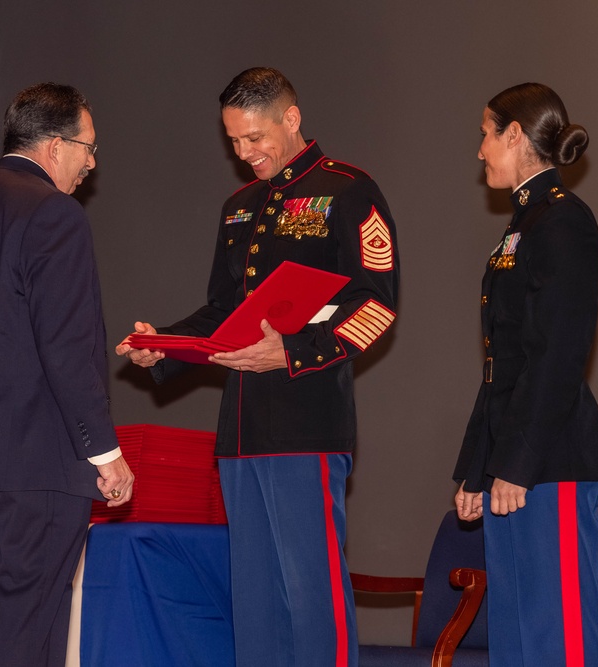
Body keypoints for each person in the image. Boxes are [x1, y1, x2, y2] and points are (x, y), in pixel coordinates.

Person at [116, 67, 398, 666]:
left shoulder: (348, 191)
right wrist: (163, 344)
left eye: (254, 138)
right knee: (256, 606)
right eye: (233, 141)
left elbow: (377, 305)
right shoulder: (239, 206)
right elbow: (223, 312)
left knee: (310, 596)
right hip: (240, 431)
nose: (244, 154)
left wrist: (293, 352)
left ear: (290, 120)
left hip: (306, 425)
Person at [0, 82, 134, 667]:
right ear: (55, 146)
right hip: (35, 463)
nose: (92, 162)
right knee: (29, 630)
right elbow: (67, 347)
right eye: (88, 147)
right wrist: (104, 452)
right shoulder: (54, 215)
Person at [453, 82, 598, 666]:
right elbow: (502, 363)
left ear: (514, 134)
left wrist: (517, 463)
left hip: (552, 461)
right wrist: (479, 468)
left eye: (485, 133)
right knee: (518, 641)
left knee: (559, 639)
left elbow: (559, 355)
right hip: (518, 466)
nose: (480, 150)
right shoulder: (523, 225)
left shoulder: (564, 222)